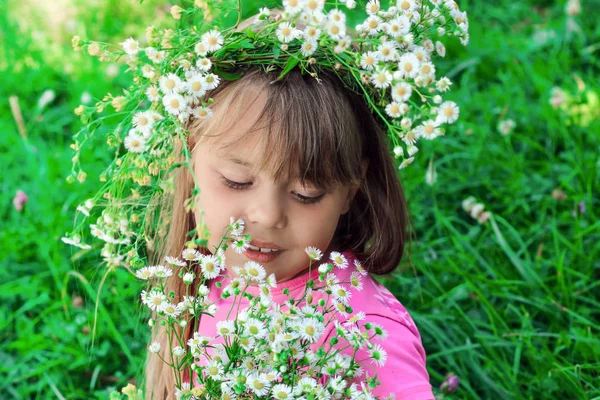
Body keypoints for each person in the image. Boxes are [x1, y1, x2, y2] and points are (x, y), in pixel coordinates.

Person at [144, 64, 434, 399]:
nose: (267, 216)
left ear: (350, 189)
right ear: (190, 155)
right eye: (236, 181)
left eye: (305, 194)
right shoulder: (210, 270)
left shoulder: (361, 332)